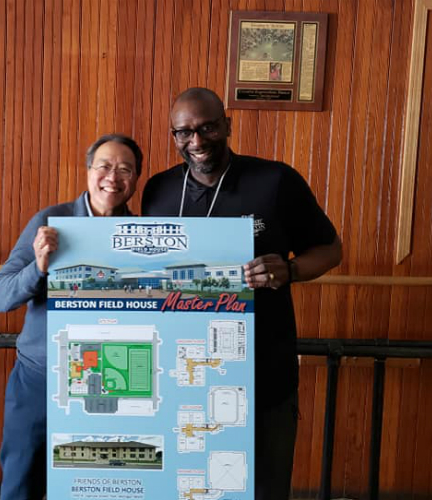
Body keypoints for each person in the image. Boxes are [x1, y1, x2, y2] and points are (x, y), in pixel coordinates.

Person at [141, 87, 342, 500]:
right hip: (178, 378)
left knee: (263, 486)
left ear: (227, 125)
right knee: (182, 488)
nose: (196, 141)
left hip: (263, 372)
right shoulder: (157, 190)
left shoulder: (275, 181)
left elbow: (330, 249)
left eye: (207, 127)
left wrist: (289, 270)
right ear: (173, 136)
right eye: (184, 133)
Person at [0, 134, 143, 500]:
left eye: (125, 169)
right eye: (104, 166)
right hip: (40, 377)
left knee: (95, 485)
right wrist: (39, 267)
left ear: (135, 179)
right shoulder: (51, 221)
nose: (113, 177)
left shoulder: (141, 234)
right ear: (89, 171)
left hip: (110, 381)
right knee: (21, 480)